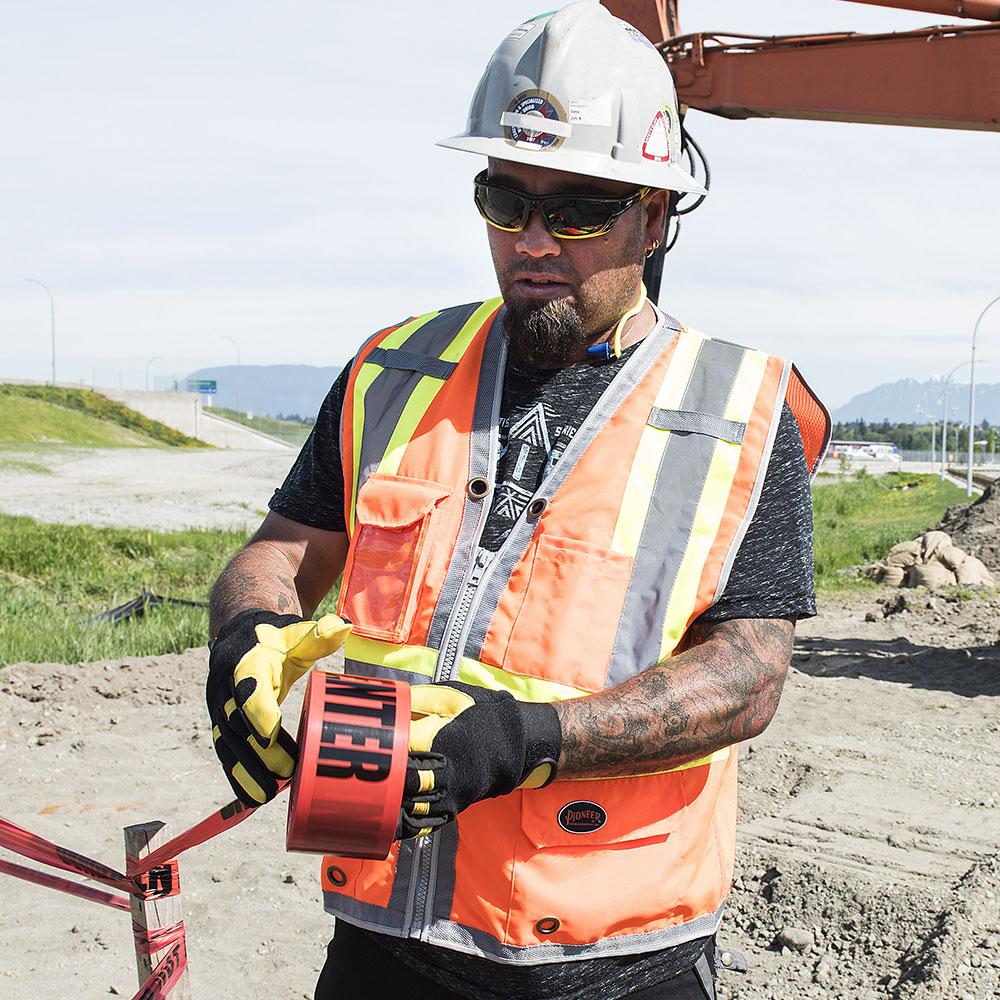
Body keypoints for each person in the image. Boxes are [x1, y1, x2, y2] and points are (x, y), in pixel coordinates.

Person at [205, 4, 830, 998]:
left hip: (614, 959)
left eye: (576, 210)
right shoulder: (394, 369)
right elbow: (282, 552)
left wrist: (525, 742)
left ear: (653, 216)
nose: (533, 241)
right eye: (505, 200)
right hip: (387, 936)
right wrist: (245, 634)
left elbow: (748, 676)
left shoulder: (743, 411)